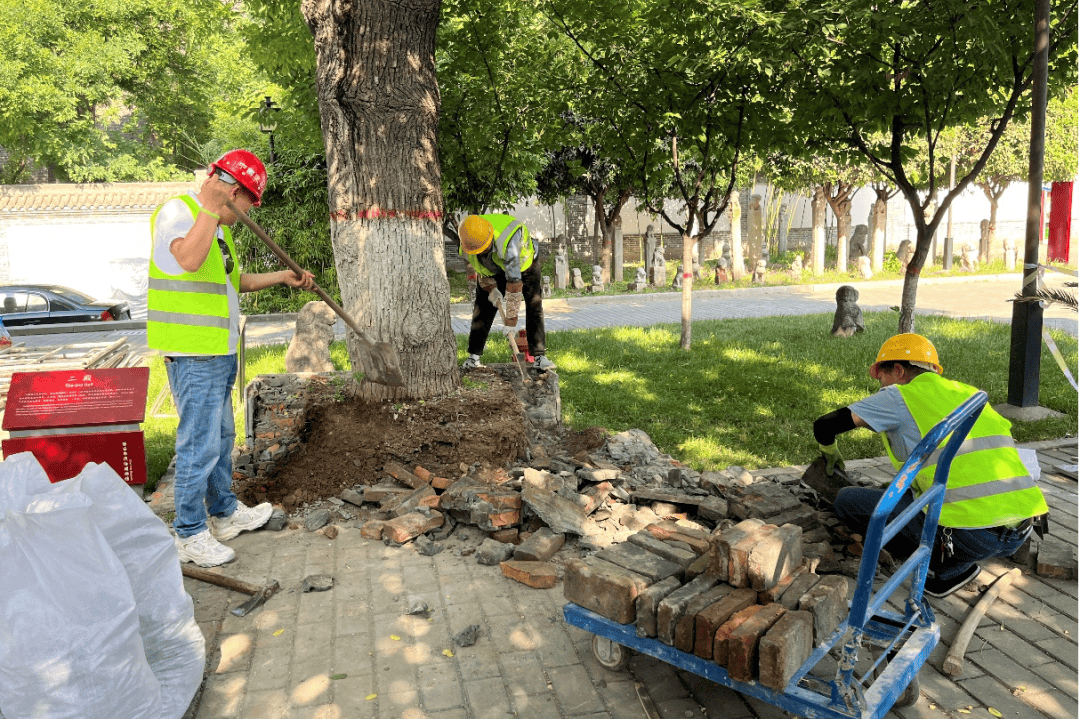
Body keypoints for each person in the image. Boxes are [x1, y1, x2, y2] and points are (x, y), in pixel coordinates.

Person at [148, 149, 315, 567]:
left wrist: (283, 277)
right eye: (247, 204)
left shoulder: (217, 229)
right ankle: (188, 533)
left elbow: (230, 282)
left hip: (220, 351)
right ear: (231, 192)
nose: (245, 214)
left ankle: (223, 514)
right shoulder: (179, 212)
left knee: (222, 441)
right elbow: (187, 260)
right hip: (193, 354)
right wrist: (209, 206)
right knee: (198, 445)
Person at [813, 333, 1049, 598]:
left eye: (882, 379)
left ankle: (946, 567)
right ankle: (958, 565)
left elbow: (824, 425)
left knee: (848, 501)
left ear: (899, 370)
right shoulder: (968, 393)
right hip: (1021, 529)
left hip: (971, 536)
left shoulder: (900, 397)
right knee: (903, 493)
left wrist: (829, 450)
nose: (881, 387)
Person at [458, 213, 555, 371]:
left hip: (525, 265)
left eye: (485, 248)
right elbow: (478, 268)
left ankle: (539, 357)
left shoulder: (507, 240)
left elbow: (514, 283)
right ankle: (473, 357)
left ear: (490, 238)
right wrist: (491, 288)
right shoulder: (468, 242)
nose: (482, 253)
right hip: (496, 268)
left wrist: (511, 321)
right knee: (482, 306)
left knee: (534, 305)